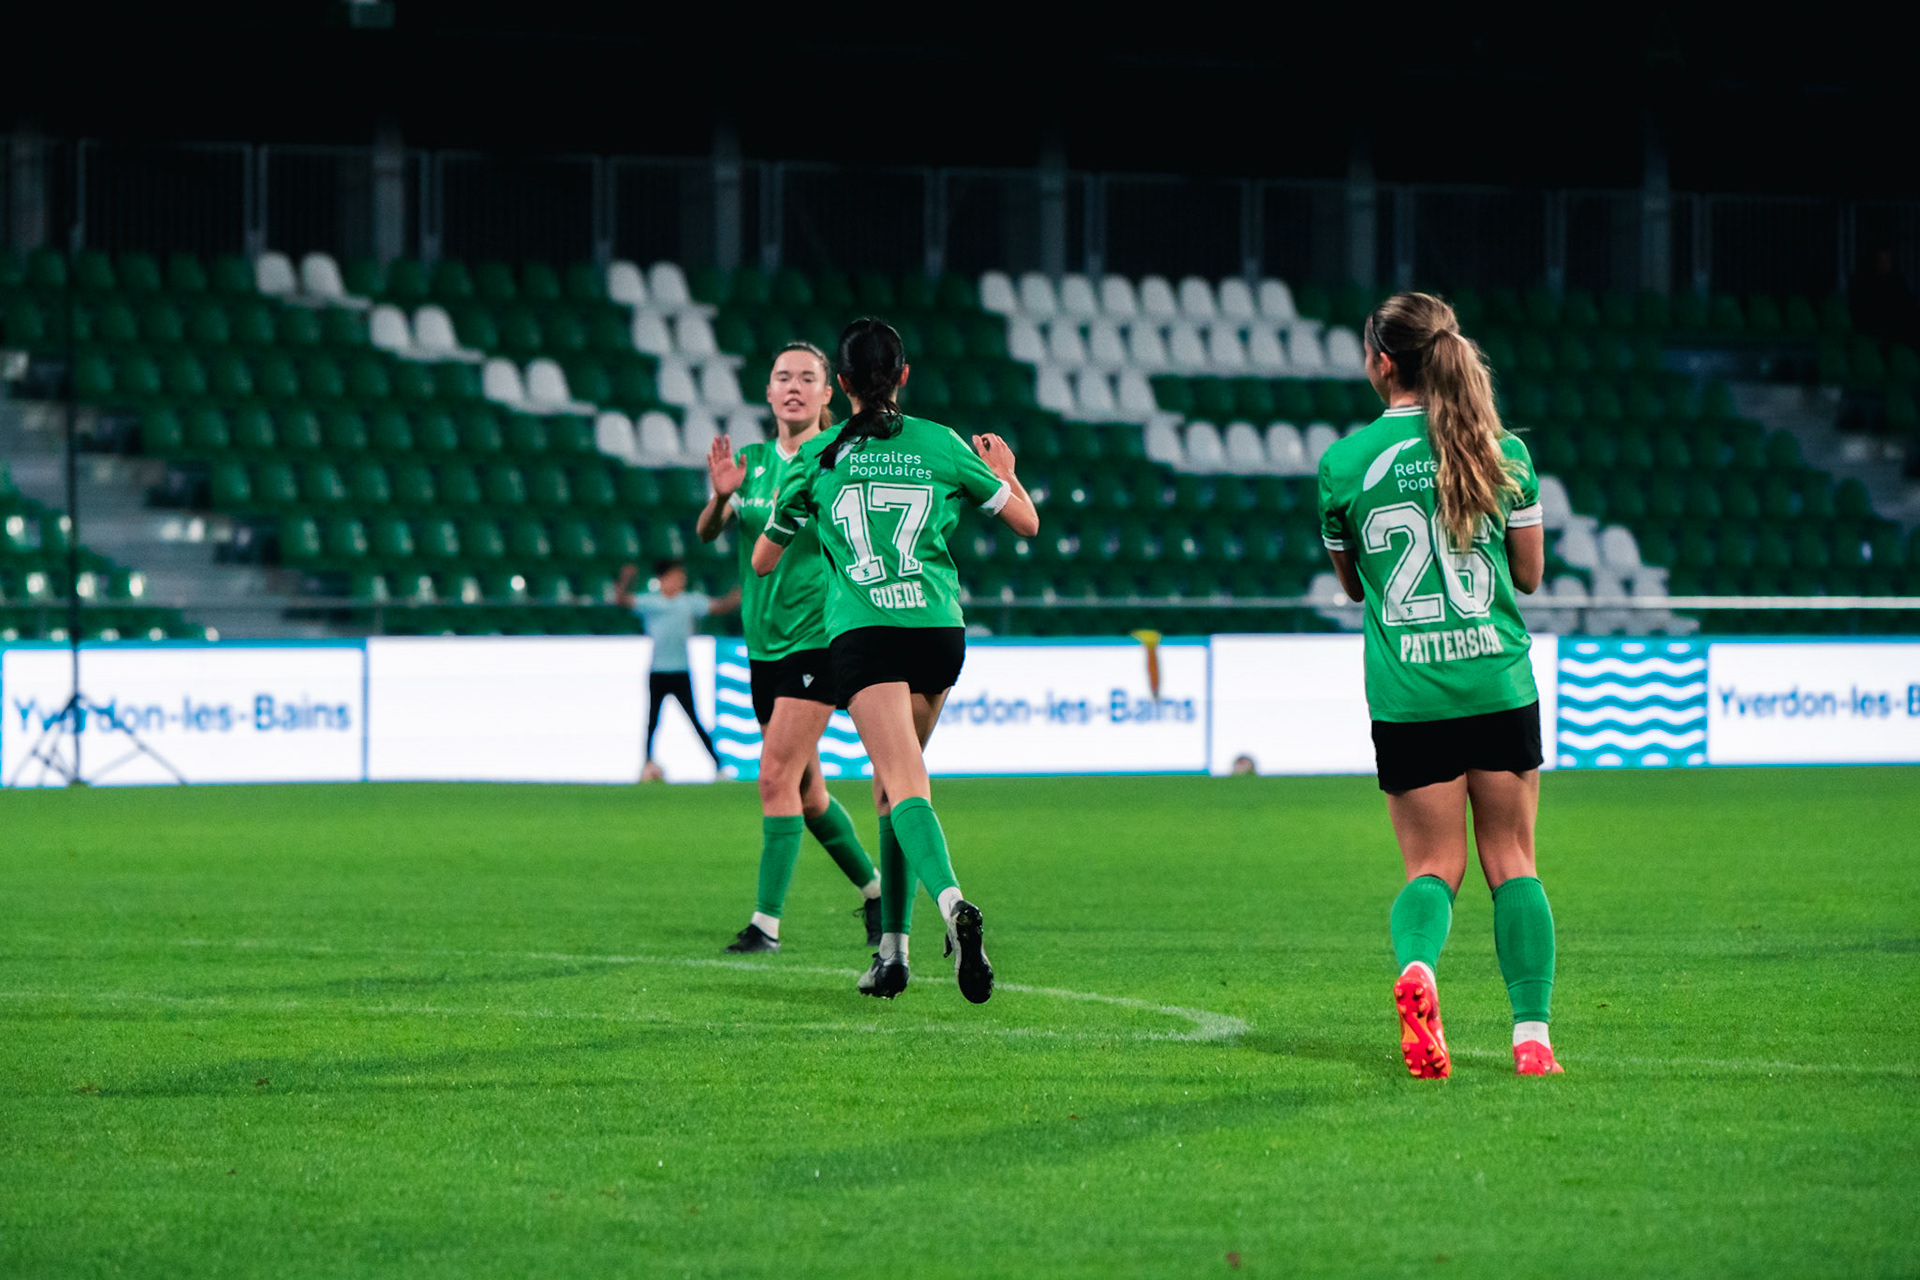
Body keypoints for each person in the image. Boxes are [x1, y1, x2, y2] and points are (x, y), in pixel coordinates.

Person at [752, 318, 1038, 1003]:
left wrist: (803, 524)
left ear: (840, 385)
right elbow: (1026, 523)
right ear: (903, 377)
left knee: (903, 781)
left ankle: (953, 908)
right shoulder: (939, 442)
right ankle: (893, 955)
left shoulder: (816, 456)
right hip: (938, 631)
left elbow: (765, 560)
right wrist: (1007, 475)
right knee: (891, 786)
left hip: (867, 633)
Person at [1317, 291, 1561, 1079]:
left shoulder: (1343, 465)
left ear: (1382, 363)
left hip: (1410, 695)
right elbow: (1529, 575)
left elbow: (1354, 587)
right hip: (1496, 679)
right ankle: (1532, 1041)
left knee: (1432, 870)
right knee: (1513, 860)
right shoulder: (1504, 456)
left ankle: (1419, 969)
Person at [695, 341, 884, 954]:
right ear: (769, 392)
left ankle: (765, 926)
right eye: (784, 377)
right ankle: (877, 892)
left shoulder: (841, 459)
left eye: (809, 377)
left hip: (818, 642)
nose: (795, 386)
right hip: (764, 650)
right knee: (808, 795)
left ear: (829, 394)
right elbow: (708, 532)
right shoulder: (748, 462)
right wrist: (722, 496)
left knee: (773, 775)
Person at [615, 558, 737, 779]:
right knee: (653, 721)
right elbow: (622, 600)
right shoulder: (651, 602)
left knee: (694, 719)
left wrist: (740, 593)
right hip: (658, 671)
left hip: (681, 671)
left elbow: (722, 606)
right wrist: (626, 579)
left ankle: (718, 765)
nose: (681, 580)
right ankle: (647, 764)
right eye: (676, 576)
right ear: (663, 579)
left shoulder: (689, 602)